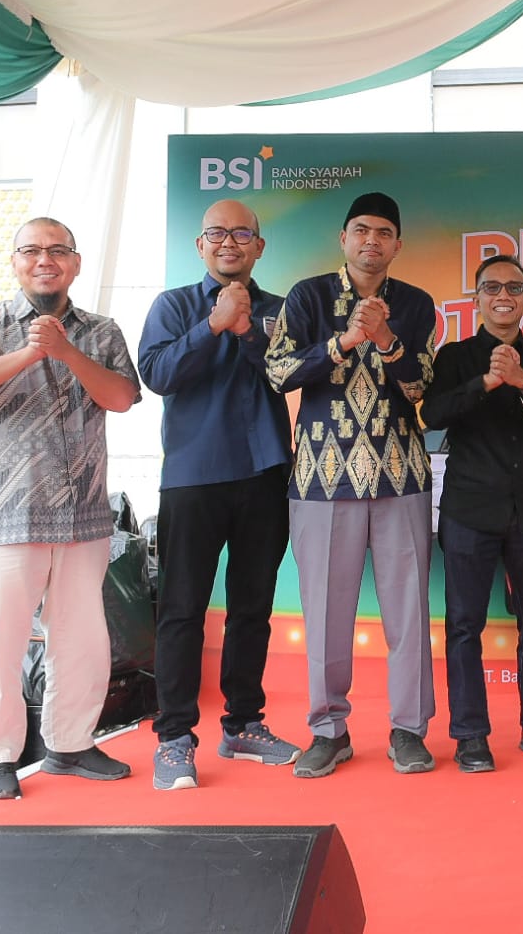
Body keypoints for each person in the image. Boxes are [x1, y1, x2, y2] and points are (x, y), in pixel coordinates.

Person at [0, 217, 141, 800]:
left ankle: (70, 745)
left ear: (75, 264)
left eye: (57, 250)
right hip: (3, 512)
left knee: (83, 638)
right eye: (31, 250)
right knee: (0, 638)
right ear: (15, 261)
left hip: (82, 515)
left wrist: (65, 351)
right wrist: (28, 354)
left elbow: (122, 397)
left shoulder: (101, 331)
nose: (44, 259)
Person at [265, 192, 438, 778]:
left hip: (401, 475)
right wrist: (342, 342)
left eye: (384, 232)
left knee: (409, 612)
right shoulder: (308, 296)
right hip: (321, 477)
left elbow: (422, 389)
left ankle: (409, 730)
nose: (372, 241)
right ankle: (328, 730)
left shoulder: (415, 303)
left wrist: (387, 340)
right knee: (325, 612)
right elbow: (279, 371)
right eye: (361, 230)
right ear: (344, 238)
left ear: (397, 245)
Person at [137, 199, 298, 791]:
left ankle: (244, 724)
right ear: (200, 245)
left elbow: (289, 374)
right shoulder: (174, 305)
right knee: (182, 609)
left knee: (252, 608)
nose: (229, 242)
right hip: (193, 476)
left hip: (264, 473)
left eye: (241, 233)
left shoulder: (280, 310)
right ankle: (175, 737)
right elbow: (157, 375)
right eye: (216, 233)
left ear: (259, 246)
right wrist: (211, 326)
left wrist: (246, 326)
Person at [421, 254, 523, 772]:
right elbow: (433, 413)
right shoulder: (455, 357)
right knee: (465, 627)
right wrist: (486, 382)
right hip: (470, 509)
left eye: (513, 288)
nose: (503, 296)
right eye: (492, 287)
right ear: (477, 299)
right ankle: (470, 735)